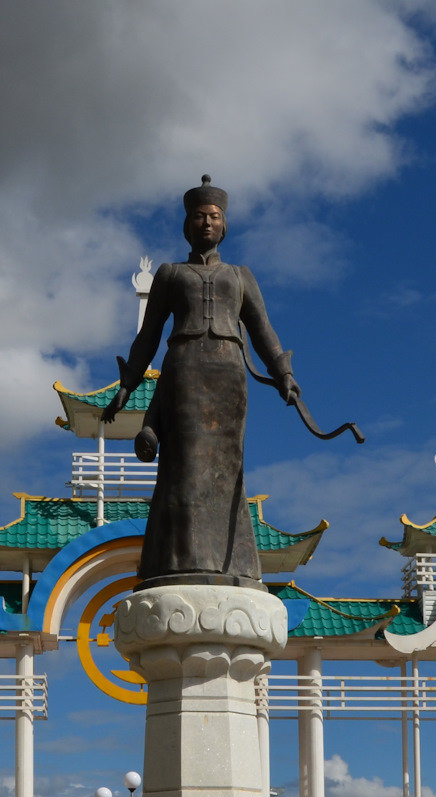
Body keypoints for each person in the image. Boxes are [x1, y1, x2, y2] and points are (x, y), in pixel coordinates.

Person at [101, 176, 300, 588]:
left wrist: (284, 374)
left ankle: (235, 565)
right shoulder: (171, 274)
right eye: (199, 216)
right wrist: (127, 386)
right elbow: (148, 336)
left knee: (229, 470)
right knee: (187, 471)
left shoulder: (240, 275)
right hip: (185, 370)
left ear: (224, 225)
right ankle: (180, 561)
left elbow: (262, 329)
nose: (207, 223)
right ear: (187, 225)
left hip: (229, 374)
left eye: (214, 216)